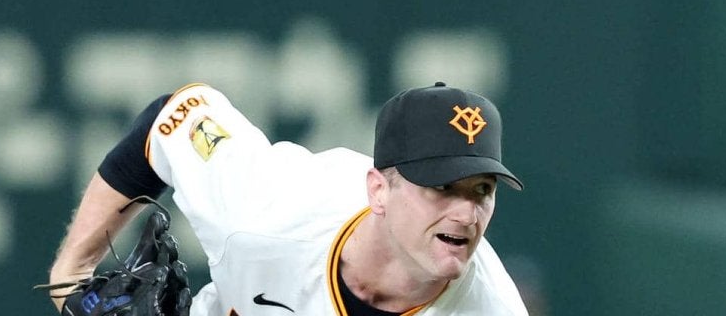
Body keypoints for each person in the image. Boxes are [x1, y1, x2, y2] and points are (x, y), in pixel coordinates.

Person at [48, 81, 528, 315]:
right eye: (442, 187)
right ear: (379, 190)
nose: (466, 213)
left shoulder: (491, 307)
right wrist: (70, 277)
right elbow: (175, 117)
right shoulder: (272, 206)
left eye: (482, 190)